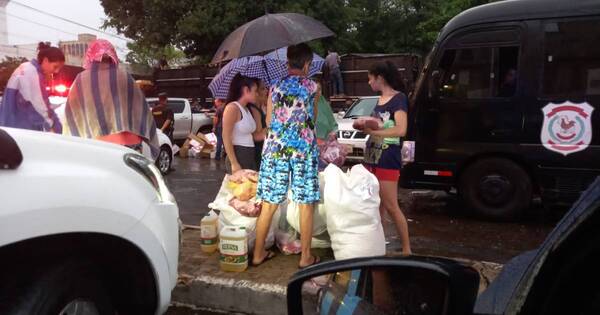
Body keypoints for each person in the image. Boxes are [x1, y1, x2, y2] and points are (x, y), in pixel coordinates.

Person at [253, 43, 321, 268]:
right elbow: (313, 120)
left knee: (269, 204)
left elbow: (269, 122)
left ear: (287, 62)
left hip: (275, 150)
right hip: (303, 150)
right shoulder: (313, 87)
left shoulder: (274, 88)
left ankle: (258, 253)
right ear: (308, 63)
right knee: (305, 204)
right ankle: (305, 258)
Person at [62, 39, 159, 155]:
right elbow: (140, 109)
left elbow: (73, 113)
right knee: (129, 173)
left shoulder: (81, 80)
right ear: (113, 56)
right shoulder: (124, 77)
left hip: (96, 142)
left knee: (101, 173)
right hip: (129, 142)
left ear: (91, 56)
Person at [363, 61, 411, 255]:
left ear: (379, 78)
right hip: (372, 156)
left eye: (370, 78)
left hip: (387, 158)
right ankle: (378, 246)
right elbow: (381, 125)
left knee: (391, 205)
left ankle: (407, 249)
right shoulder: (380, 100)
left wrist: (376, 132)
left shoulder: (398, 99)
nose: (368, 82)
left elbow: (401, 129)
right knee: (377, 205)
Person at [0, 42, 64, 132]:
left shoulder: (25, 67)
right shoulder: (32, 73)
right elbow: (42, 107)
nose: (56, 71)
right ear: (45, 60)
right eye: (55, 66)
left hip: (9, 123)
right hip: (20, 129)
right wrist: (55, 127)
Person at [222, 74, 258, 173]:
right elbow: (226, 136)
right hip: (238, 152)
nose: (257, 94)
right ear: (246, 90)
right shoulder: (232, 108)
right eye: (255, 91)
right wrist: (234, 162)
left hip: (249, 153)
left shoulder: (247, 109)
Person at [248, 79, 268, 168]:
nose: (266, 91)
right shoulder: (254, 110)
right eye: (262, 89)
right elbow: (257, 136)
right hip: (257, 151)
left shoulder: (260, 108)